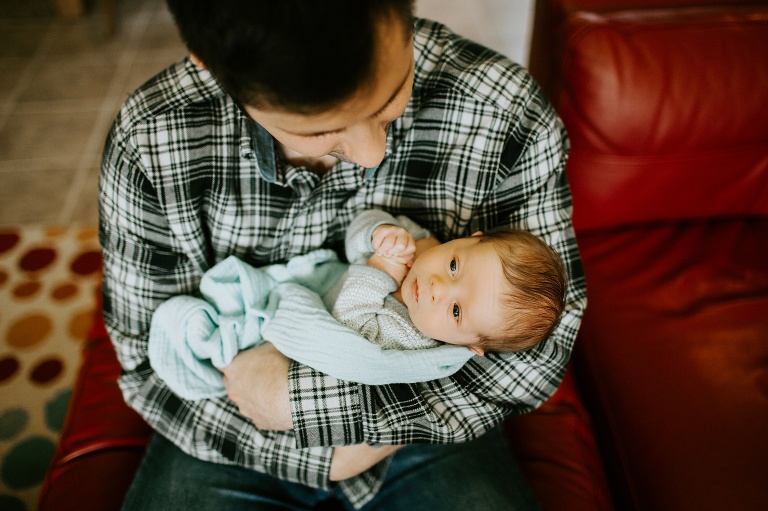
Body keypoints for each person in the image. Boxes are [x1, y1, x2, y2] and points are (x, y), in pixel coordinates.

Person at [99, 0, 587, 509]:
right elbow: (145, 364)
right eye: (321, 130)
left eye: (390, 97)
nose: (374, 154)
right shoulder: (150, 139)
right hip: (231, 417)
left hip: (417, 419)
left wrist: (330, 426)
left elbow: (537, 350)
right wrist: (303, 437)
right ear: (212, 66)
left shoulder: (505, 111)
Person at [147, 209, 568, 400]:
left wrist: (381, 267)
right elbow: (356, 233)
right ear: (470, 239)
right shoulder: (421, 242)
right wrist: (380, 233)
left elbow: (346, 324)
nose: (439, 287)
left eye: (457, 312)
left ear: (470, 345)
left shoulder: (413, 339)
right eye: (456, 265)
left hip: (305, 327)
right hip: (311, 273)